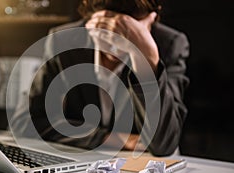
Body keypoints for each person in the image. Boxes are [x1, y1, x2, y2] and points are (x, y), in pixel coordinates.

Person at [11, 0, 189, 156]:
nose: (116, 44)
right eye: (106, 30)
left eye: (130, 31)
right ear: (90, 20)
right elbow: (25, 122)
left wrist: (148, 62)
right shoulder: (63, 42)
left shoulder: (169, 45)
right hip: (80, 165)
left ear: (153, 18)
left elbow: (163, 145)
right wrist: (114, 139)